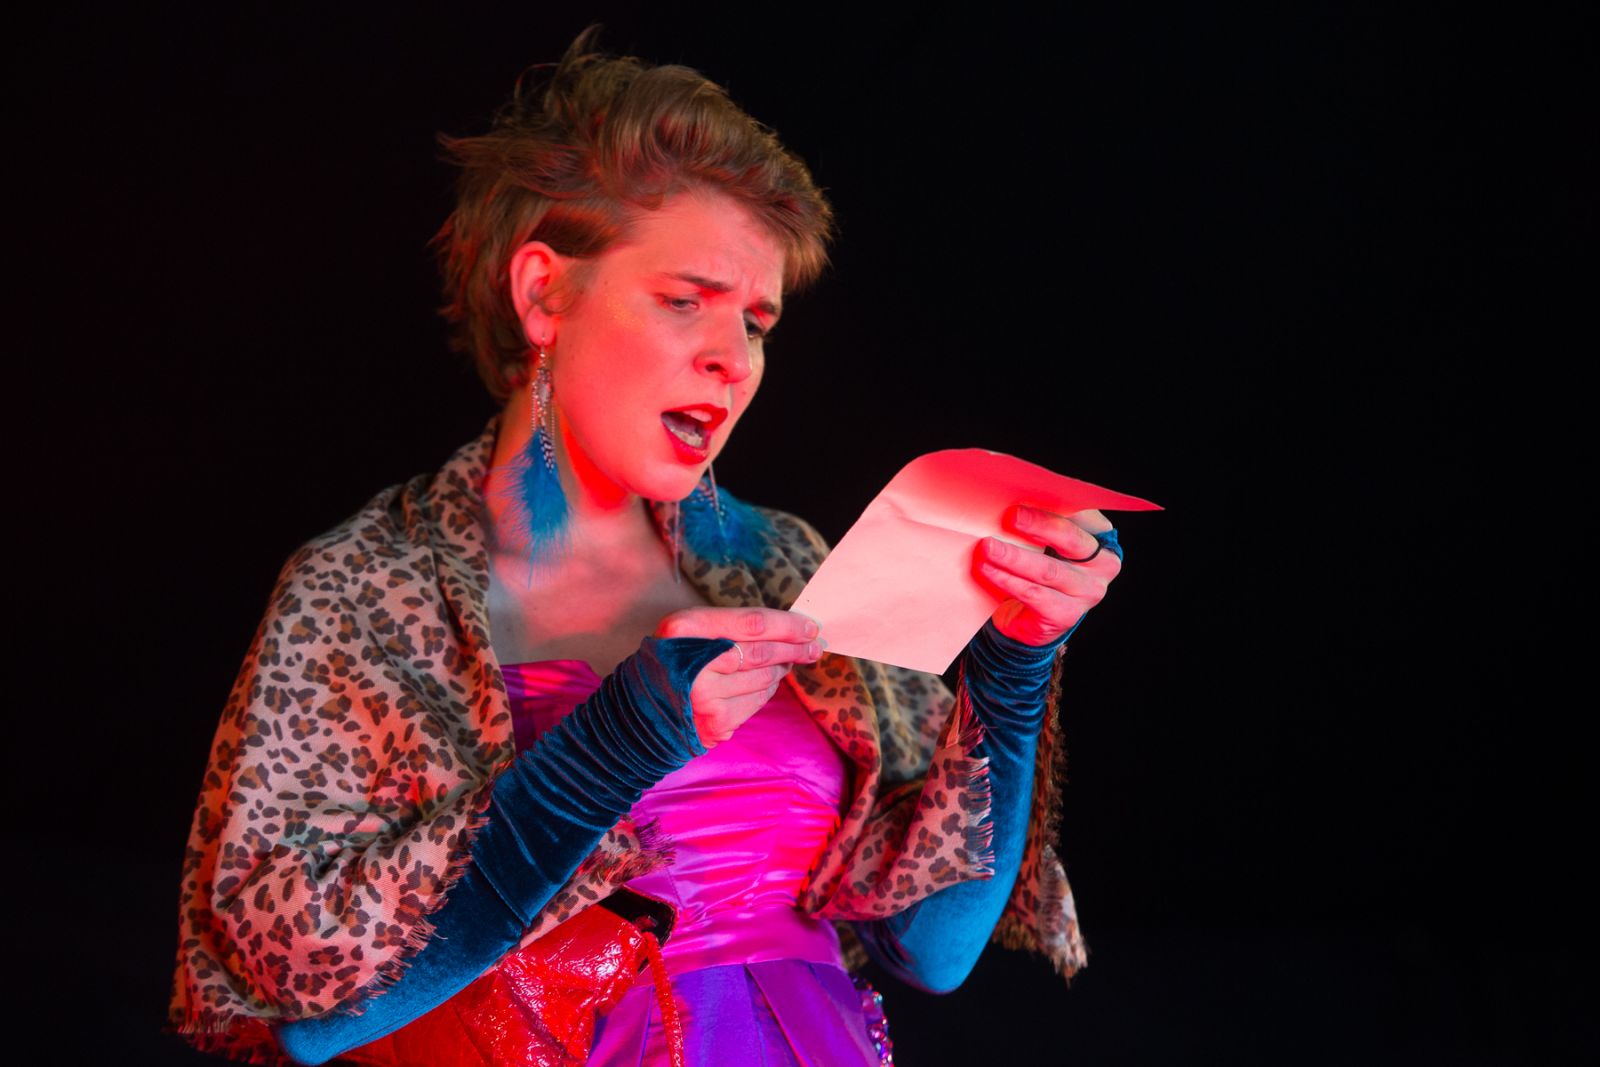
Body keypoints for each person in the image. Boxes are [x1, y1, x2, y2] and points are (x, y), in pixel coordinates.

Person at [169, 30, 1124, 1067]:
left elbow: (933, 947)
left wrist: (1015, 659)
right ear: (543, 294)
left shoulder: (782, 564)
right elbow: (306, 1007)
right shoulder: (361, 590)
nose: (733, 359)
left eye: (756, 322)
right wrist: (615, 740)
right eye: (685, 300)